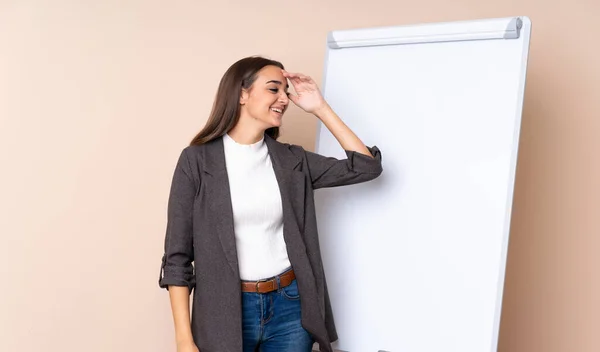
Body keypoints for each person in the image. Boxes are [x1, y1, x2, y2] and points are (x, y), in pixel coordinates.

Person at [158, 56, 383, 352]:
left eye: (285, 91)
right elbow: (177, 258)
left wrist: (320, 107)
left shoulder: (292, 161)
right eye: (273, 89)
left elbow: (365, 167)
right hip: (224, 311)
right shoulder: (196, 161)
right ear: (242, 94)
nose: (284, 99)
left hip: (289, 307)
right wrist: (184, 339)